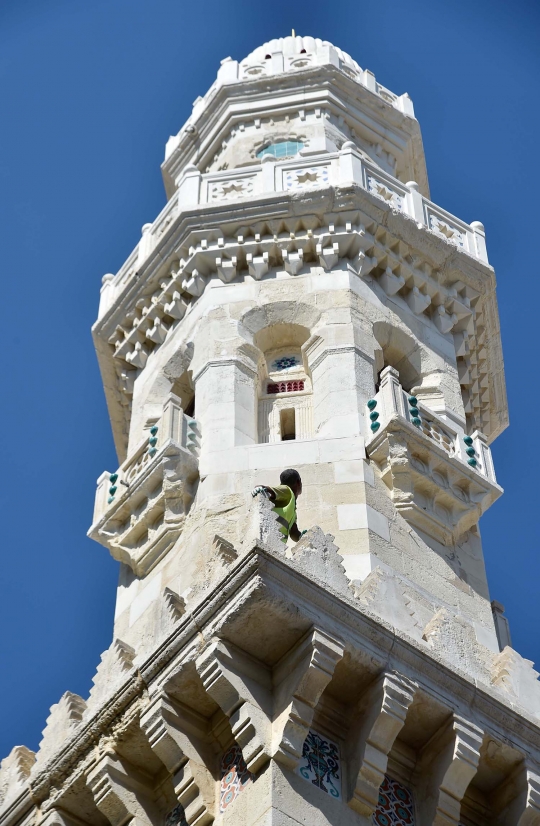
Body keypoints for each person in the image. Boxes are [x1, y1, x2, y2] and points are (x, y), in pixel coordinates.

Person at [251, 468, 305, 543]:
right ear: (298, 482)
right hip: (269, 538)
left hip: (277, 544)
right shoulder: (287, 490)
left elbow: (293, 533)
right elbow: (270, 490)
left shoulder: (291, 508)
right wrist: (259, 488)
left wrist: (303, 537)